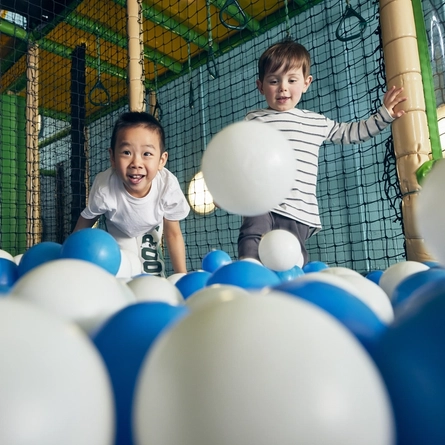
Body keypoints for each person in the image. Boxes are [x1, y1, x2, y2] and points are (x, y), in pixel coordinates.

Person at [238, 39, 407, 265]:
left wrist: (384, 115)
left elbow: (350, 133)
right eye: (273, 81)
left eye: (292, 80)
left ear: (307, 83)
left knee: (288, 255)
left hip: (298, 208)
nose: (283, 88)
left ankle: (297, 283)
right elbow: (239, 157)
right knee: (252, 235)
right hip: (261, 199)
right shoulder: (253, 119)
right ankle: (249, 275)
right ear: (260, 86)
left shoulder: (315, 122)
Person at [74, 111, 190, 276]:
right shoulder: (105, 188)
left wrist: (181, 275)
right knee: (124, 274)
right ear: (112, 158)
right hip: (119, 228)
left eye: (147, 154)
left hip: (151, 227)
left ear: (161, 161)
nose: (136, 163)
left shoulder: (167, 186)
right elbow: (87, 218)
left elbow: (173, 233)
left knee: (152, 276)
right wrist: (69, 251)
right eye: (127, 152)